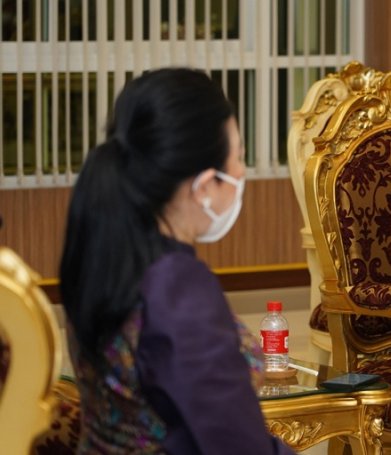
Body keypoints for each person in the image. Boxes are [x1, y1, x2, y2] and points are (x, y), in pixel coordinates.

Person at [60, 68, 293, 454]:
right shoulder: (177, 290)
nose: (242, 172)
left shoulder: (102, 258)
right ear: (204, 186)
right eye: (238, 157)